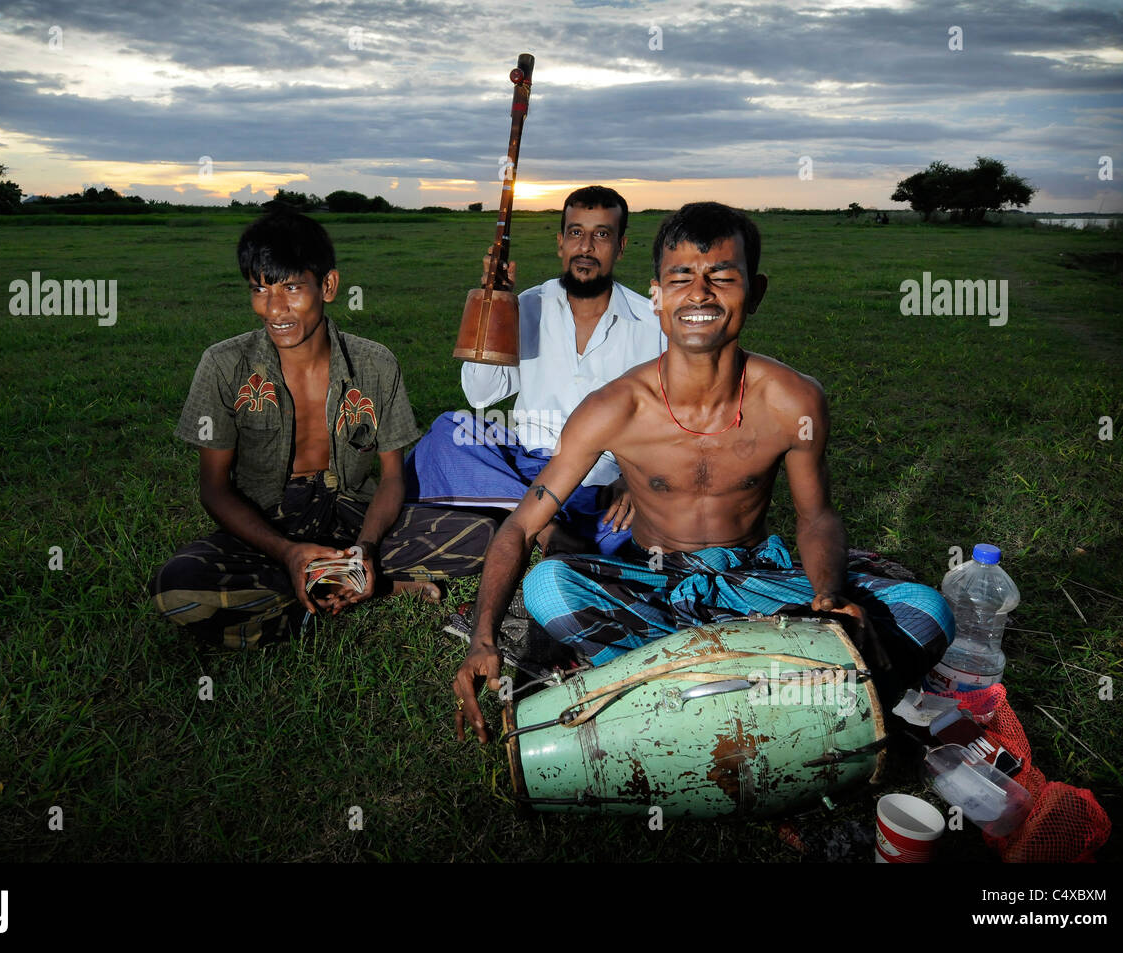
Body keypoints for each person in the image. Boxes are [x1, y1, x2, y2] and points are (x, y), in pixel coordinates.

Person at [453, 201, 955, 742]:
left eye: (721, 277)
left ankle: (668, 684)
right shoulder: (615, 408)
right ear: (657, 296)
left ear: (755, 292)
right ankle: (776, 681)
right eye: (681, 278)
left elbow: (816, 518)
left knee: (926, 610)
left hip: (755, 579)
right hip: (656, 582)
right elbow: (522, 528)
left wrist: (829, 596)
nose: (699, 294)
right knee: (551, 587)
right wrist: (484, 639)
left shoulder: (793, 401)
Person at [151, 209, 495, 650]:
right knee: (178, 588)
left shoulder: (375, 363)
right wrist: (287, 553)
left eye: (291, 288)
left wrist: (367, 549)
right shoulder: (223, 365)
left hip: (355, 519)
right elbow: (214, 489)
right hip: (269, 529)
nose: (274, 309)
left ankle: (348, 579)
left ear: (327, 286)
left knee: (483, 537)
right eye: (260, 289)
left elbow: (392, 477)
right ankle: (369, 587)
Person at [404, 185, 665, 556]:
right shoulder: (527, 304)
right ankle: (547, 530)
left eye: (601, 235)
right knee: (448, 433)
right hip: (523, 465)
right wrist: (493, 308)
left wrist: (635, 479)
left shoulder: (650, 326)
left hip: (598, 483)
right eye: (576, 233)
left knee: (650, 534)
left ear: (621, 247)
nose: (586, 247)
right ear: (561, 243)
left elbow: (671, 424)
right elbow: (480, 394)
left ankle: (513, 518)